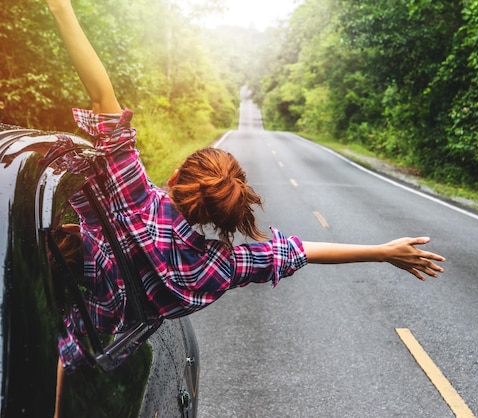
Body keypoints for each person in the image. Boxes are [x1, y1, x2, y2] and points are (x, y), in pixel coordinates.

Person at [45, 0, 445, 372]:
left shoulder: (134, 197)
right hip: (72, 355)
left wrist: (60, 8)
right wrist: (381, 252)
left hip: (42, 310)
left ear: (175, 178)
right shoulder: (217, 268)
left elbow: (102, 94)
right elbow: (298, 252)